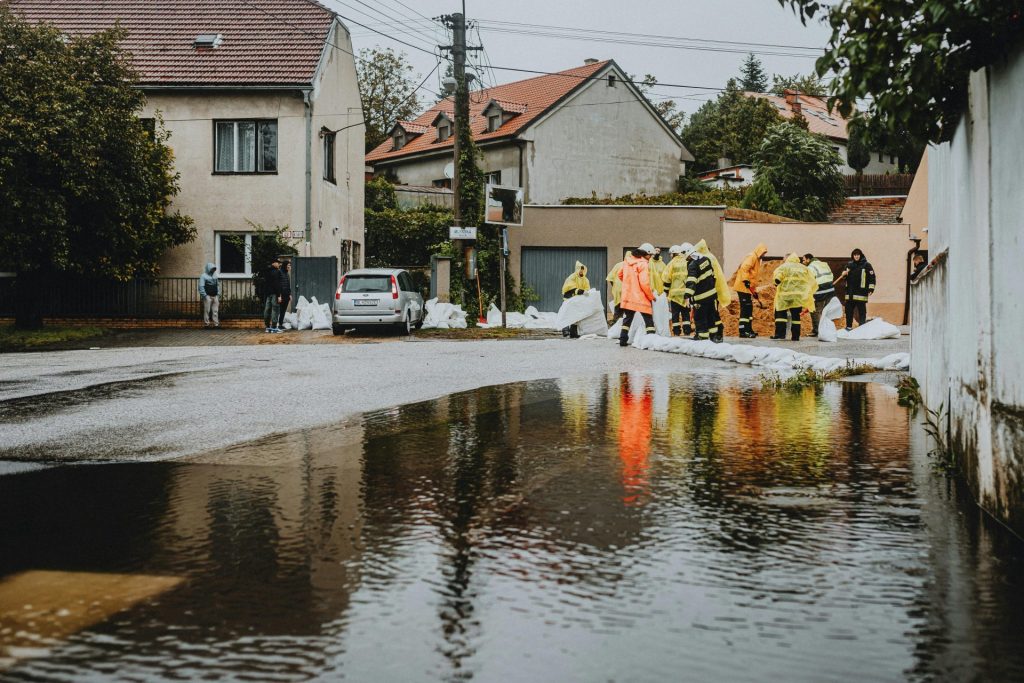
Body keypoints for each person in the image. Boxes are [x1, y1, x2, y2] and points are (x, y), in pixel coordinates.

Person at [771, 253, 817, 341]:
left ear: (787, 259)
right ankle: (795, 336)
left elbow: (778, 277)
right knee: (796, 317)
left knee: (781, 315)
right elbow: (812, 280)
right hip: (798, 298)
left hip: (784, 296)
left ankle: (780, 335)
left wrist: (776, 283)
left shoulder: (784, 267)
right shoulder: (803, 268)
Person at [618, 243, 657, 347]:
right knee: (648, 320)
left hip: (628, 296)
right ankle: (651, 340)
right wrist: (651, 296)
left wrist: (629, 284)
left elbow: (620, 275)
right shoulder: (643, 264)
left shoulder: (627, 261)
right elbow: (644, 283)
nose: (651, 257)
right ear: (645, 253)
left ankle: (622, 339)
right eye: (650, 255)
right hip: (641, 297)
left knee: (627, 319)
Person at [682, 242, 722, 343]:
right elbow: (712, 276)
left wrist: (687, 296)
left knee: (700, 318)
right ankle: (714, 337)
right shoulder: (706, 259)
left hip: (701, 298)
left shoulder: (693, 265)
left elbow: (691, 281)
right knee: (711, 317)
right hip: (711, 295)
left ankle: (702, 337)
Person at [692, 239, 729, 341]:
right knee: (712, 313)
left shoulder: (707, 258)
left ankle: (717, 334)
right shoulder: (710, 257)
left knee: (711, 314)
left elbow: (711, 276)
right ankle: (715, 335)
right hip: (713, 290)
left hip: (710, 291)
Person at [834, 248, 875, 330]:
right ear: (853, 256)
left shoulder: (866, 265)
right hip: (850, 293)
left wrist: (871, 289)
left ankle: (862, 327)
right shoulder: (849, 265)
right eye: (855, 255)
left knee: (861, 311)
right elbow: (844, 277)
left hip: (861, 292)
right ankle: (849, 327)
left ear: (861, 255)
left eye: (858, 255)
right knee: (848, 311)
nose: (856, 256)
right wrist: (844, 274)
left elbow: (872, 278)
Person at [732, 243, 767, 338]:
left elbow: (753, 277)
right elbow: (744, 268)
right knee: (745, 309)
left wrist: (754, 291)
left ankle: (749, 329)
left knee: (749, 308)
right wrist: (745, 280)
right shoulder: (752, 257)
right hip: (743, 287)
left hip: (748, 288)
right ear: (759, 251)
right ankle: (743, 331)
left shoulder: (757, 260)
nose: (764, 255)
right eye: (763, 253)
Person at [801, 253, 835, 337]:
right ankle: (826, 330)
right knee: (826, 312)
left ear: (809, 259)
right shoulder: (824, 264)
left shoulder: (810, 267)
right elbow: (831, 275)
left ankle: (816, 331)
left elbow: (809, 281)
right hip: (830, 290)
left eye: (804, 260)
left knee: (815, 311)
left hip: (820, 291)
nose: (803, 262)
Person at [663, 244, 692, 337]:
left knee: (675, 314)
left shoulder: (671, 264)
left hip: (674, 294)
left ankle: (676, 332)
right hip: (685, 294)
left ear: (673, 254)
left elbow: (667, 279)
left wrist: (666, 292)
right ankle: (687, 331)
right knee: (685, 313)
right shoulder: (687, 262)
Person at [561, 260, 590, 338]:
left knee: (576, 315)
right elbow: (571, 289)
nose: (581, 271)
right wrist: (581, 291)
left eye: (582, 269)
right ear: (577, 269)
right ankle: (565, 330)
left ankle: (573, 333)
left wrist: (586, 293)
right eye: (580, 269)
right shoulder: (572, 277)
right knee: (567, 314)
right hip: (569, 298)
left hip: (577, 299)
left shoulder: (585, 280)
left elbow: (587, 290)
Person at [263, 257, 283, 333]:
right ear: (273, 263)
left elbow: (266, 283)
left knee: (267, 309)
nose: (279, 264)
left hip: (268, 293)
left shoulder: (267, 271)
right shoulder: (277, 272)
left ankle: (267, 327)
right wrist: (279, 295)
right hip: (275, 293)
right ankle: (274, 327)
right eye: (278, 263)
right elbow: (277, 285)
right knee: (275, 309)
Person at [198, 262, 220, 328]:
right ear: (208, 268)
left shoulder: (215, 275)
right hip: (207, 296)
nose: (213, 270)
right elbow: (201, 286)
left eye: (214, 269)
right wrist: (205, 295)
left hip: (215, 295)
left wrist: (218, 294)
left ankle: (216, 324)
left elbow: (217, 285)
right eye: (212, 268)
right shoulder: (203, 276)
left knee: (215, 310)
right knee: (207, 310)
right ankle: (206, 324)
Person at [276, 260, 292, 330]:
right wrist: (279, 295)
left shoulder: (287, 274)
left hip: (286, 295)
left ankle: (280, 324)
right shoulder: (280, 272)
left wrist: (290, 294)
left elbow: (288, 285)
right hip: (281, 295)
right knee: (279, 310)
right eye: (288, 265)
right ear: (285, 265)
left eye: (290, 265)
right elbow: (278, 285)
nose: (289, 266)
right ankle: (275, 324)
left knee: (283, 311)